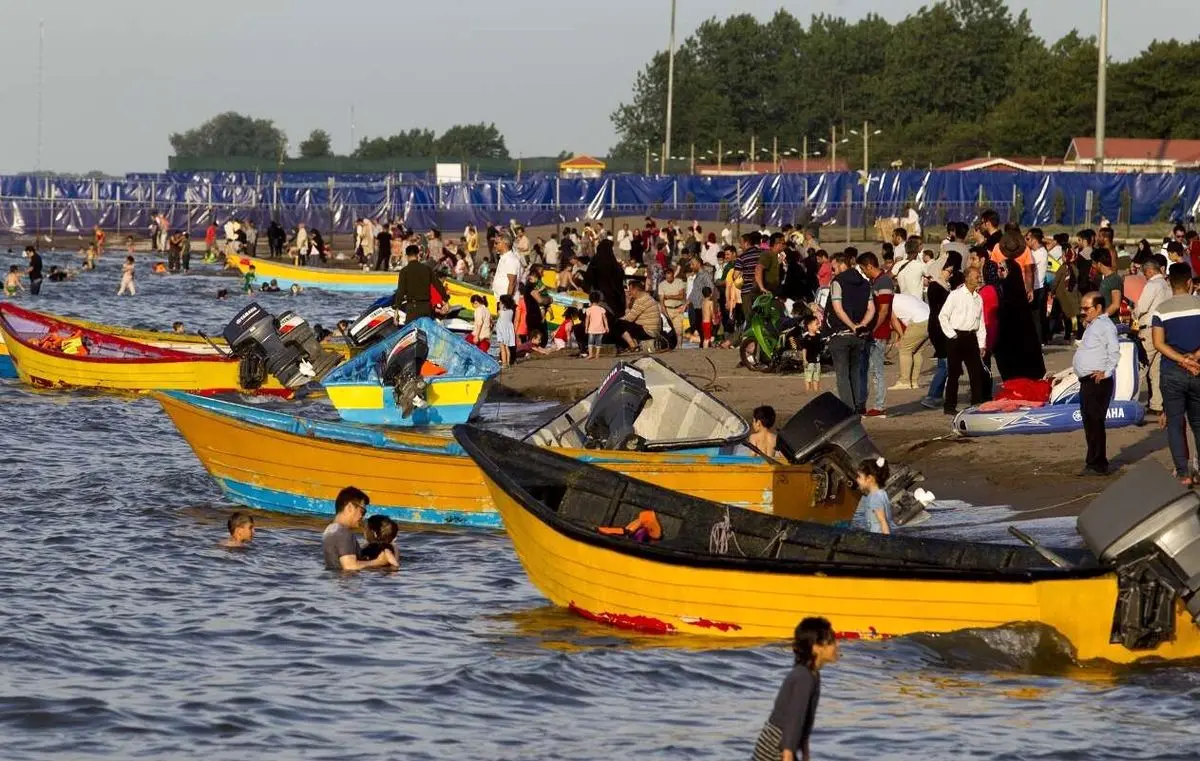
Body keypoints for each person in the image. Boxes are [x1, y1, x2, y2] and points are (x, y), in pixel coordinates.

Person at [752, 617, 838, 761]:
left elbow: (804, 718)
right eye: (831, 642)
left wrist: (805, 751)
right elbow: (794, 718)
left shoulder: (811, 674)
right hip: (776, 747)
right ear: (817, 647)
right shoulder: (804, 677)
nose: (836, 646)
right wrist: (787, 754)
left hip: (784, 744)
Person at [1151, 266, 1200, 485]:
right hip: (1197, 369)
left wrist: (1181, 360)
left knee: (1175, 423)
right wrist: (1194, 358)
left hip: (1172, 371)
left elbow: (1158, 343)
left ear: (1171, 284)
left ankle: (1183, 473)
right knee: (1198, 422)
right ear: (1190, 283)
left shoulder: (1162, 310)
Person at [1075, 292, 1120, 477]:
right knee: (1089, 421)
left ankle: (1098, 463)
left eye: (1086, 308)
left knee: (1095, 422)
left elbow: (1114, 351)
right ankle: (1092, 461)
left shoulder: (1105, 325)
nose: (1083, 312)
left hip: (1097, 381)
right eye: (1082, 308)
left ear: (1099, 308)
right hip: (1088, 380)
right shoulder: (1093, 325)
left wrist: (1107, 372)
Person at [825, 252, 875, 413]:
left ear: (841, 264)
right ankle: (858, 406)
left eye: (833, 268)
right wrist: (861, 325)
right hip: (858, 336)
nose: (833, 271)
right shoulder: (865, 283)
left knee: (842, 376)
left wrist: (852, 326)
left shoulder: (837, 282)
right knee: (855, 373)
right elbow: (871, 309)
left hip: (840, 335)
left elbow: (838, 310)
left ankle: (848, 410)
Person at [993, 232, 1046, 382]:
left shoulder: (997, 250)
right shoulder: (1025, 252)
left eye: (1002, 270)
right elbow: (1028, 272)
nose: (999, 272)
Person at [940, 266, 988, 415]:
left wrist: (981, 344)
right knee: (954, 373)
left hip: (971, 336)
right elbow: (943, 316)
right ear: (967, 278)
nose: (979, 279)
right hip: (956, 336)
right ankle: (949, 406)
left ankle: (976, 403)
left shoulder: (978, 298)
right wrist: (952, 335)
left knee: (976, 372)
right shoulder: (955, 295)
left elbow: (980, 322)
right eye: (976, 276)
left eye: (979, 276)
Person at [322, 487, 398, 572]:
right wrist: (379, 561)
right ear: (349, 507)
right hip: (347, 583)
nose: (362, 516)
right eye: (362, 511)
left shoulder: (329, 530)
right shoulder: (344, 533)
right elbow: (350, 567)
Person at [858, 252, 893, 417]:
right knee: (866, 369)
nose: (864, 272)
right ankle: (863, 404)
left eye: (864, 269)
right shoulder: (877, 282)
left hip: (878, 333)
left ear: (869, 266)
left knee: (876, 371)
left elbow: (884, 310)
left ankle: (880, 406)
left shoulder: (884, 281)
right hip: (873, 333)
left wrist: (872, 329)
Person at [1134, 255, 1171, 414]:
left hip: (1148, 329)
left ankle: (1132, 404)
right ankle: (1157, 404)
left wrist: (1133, 314)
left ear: (1149, 271)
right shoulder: (1166, 284)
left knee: (1140, 367)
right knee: (1156, 370)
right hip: (1164, 329)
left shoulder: (1152, 284)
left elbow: (1142, 306)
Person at [394, 245, 449, 321]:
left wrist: (396, 310)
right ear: (418, 254)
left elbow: (401, 291)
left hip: (412, 308)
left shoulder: (404, 271)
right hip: (426, 307)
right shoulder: (427, 269)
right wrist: (446, 300)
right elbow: (438, 285)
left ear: (406, 255)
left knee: (411, 329)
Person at [890, 291, 930, 391]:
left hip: (919, 321)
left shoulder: (888, 301)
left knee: (904, 349)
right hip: (931, 320)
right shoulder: (902, 296)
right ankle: (914, 381)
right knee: (917, 352)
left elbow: (894, 321)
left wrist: (902, 337)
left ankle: (904, 382)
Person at [851, 457, 893, 534]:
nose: (857, 479)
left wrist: (886, 543)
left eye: (859, 477)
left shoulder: (875, 498)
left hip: (879, 540)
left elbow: (883, 521)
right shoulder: (882, 493)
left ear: (869, 478)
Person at [617, 279, 662, 351]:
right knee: (622, 324)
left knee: (618, 324)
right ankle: (634, 344)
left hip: (648, 331)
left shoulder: (641, 300)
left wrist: (617, 320)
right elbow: (630, 314)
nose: (629, 293)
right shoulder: (647, 297)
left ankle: (633, 346)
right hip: (652, 330)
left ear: (635, 290)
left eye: (630, 290)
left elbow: (629, 318)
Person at [491, 237, 523, 303]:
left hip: (508, 301)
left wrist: (507, 302)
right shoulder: (503, 258)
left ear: (505, 244)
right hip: (501, 299)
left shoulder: (510, 259)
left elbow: (512, 282)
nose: (494, 245)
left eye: (496, 243)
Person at [585, 291, 608, 359]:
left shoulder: (589, 309)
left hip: (592, 329)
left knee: (590, 342)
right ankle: (597, 355)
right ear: (599, 300)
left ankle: (591, 354)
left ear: (590, 300)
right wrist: (607, 327)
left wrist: (586, 328)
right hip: (600, 328)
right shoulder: (602, 309)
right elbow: (605, 319)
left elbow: (587, 319)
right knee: (598, 342)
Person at [496, 294, 517, 367]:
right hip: (508, 330)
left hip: (502, 330)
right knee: (507, 347)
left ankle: (504, 363)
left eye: (501, 302)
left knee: (502, 347)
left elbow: (499, 314)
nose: (499, 303)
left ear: (504, 303)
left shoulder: (501, 312)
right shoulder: (511, 311)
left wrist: (500, 307)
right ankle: (508, 362)